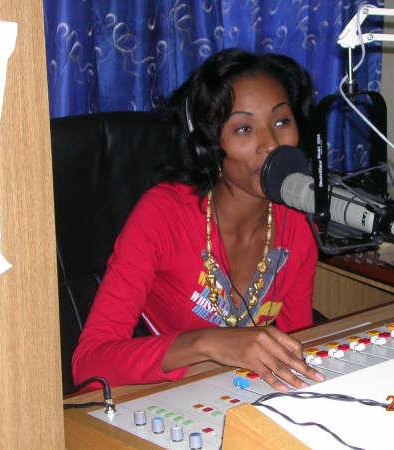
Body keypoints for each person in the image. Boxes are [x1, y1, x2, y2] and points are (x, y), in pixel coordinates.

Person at [72, 48, 324, 392]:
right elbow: (89, 365)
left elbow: (299, 343)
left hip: (243, 393)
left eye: (282, 122)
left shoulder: (298, 220)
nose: (271, 144)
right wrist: (206, 343)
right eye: (244, 128)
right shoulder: (162, 215)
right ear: (208, 145)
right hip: (164, 393)